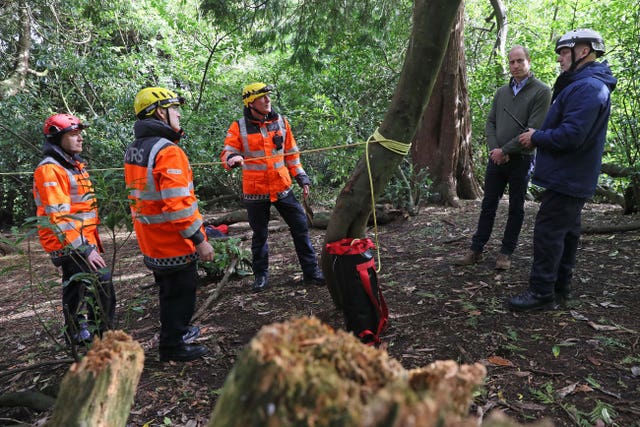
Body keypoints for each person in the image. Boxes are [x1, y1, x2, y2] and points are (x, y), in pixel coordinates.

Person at [509, 29, 617, 311]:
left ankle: (542, 293)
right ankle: (559, 288)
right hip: (570, 175)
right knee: (566, 233)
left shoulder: (589, 87)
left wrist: (536, 137)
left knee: (548, 232)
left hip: (569, 176)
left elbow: (572, 135)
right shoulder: (584, 84)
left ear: (583, 51)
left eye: (564, 52)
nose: (559, 59)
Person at [125, 86, 214, 362]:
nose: (177, 114)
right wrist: (199, 240)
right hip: (172, 241)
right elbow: (177, 204)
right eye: (173, 108)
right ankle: (173, 346)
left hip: (151, 239)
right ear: (160, 112)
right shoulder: (167, 151)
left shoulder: (136, 149)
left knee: (168, 292)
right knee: (181, 294)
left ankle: (175, 334)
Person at [220, 82, 324, 292]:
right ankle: (261, 276)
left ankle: (311, 272)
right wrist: (232, 158)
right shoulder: (238, 127)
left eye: (268, 96)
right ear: (250, 103)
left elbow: (291, 154)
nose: (268, 100)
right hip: (255, 192)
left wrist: (301, 177)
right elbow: (227, 152)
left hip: (282, 188)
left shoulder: (282, 122)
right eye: (262, 97)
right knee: (260, 235)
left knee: (301, 228)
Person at [455, 46, 551, 270]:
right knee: (488, 204)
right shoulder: (501, 92)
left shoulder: (541, 92)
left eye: (520, 61)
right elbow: (491, 123)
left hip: (522, 159)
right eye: (511, 62)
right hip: (496, 158)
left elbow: (533, 130)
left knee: (516, 207)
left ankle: (506, 253)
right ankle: (476, 249)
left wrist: (505, 150)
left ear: (528, 61)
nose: (515, 66)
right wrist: (495, 149)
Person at [33, 113, 116, 346]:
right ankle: (98, 336)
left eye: (80, 134)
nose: (80, 139)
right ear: (57, 138)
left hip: (79, 239)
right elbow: (59, 216)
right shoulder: (50, 170)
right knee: (99, 281)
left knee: (78, 286)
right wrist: (86, 249)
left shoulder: (72, 165)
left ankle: (78, 331)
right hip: (66, 241)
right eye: (73, 134)